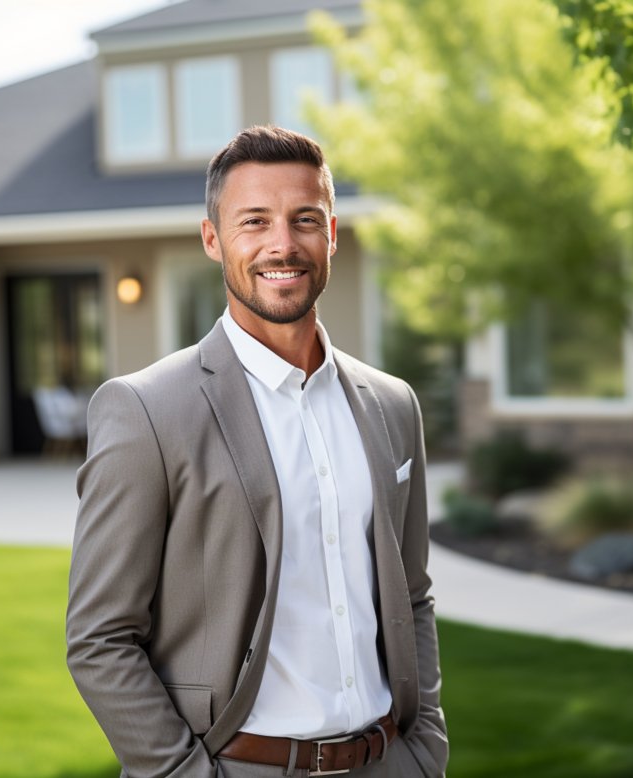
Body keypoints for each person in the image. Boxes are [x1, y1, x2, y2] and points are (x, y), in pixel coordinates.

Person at [66, 125, 448, 778]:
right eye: (254, 221)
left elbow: (411, 596)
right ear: (213, 239)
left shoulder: (391, 405)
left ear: (331, 234)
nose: (282, 244)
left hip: (388, 761)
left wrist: (425, 752)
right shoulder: (146, 411)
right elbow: (100, 639)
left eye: (305, 219)